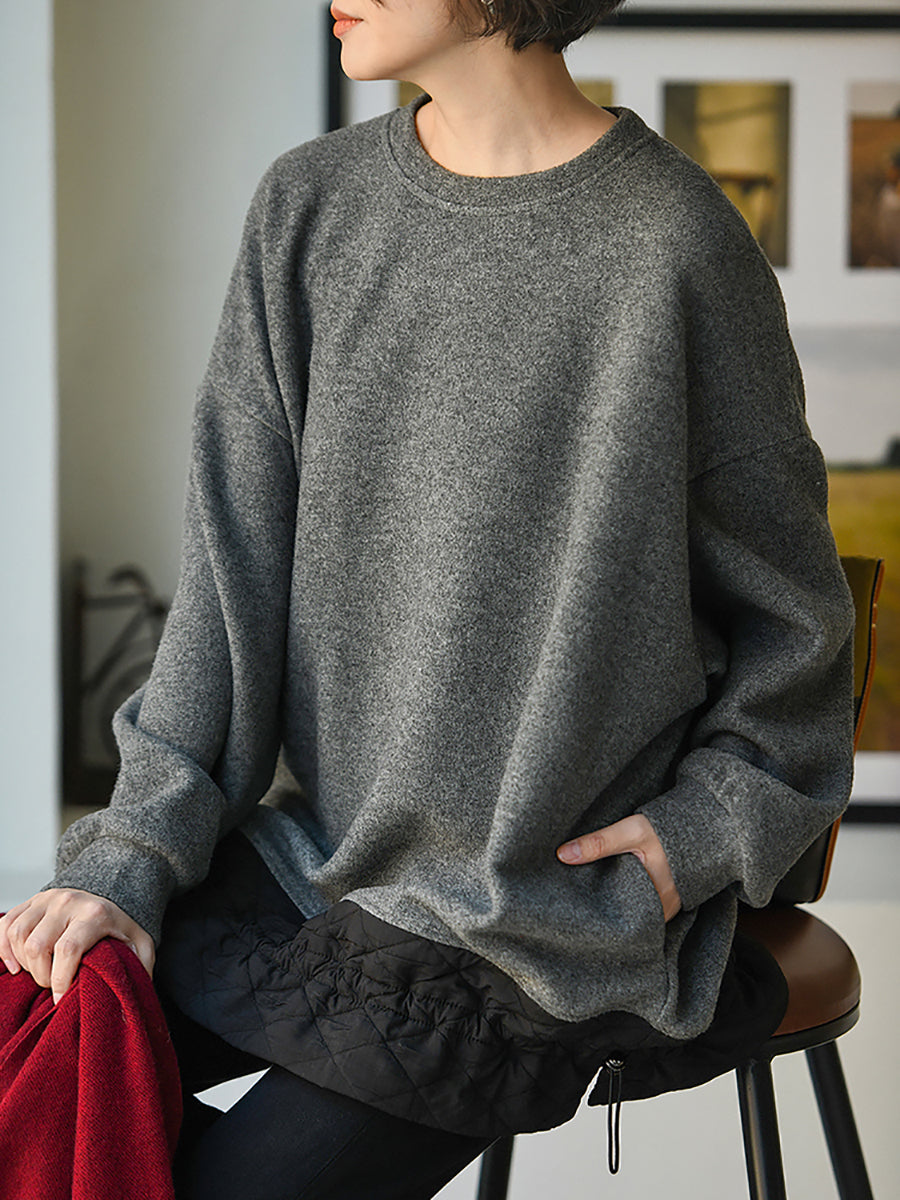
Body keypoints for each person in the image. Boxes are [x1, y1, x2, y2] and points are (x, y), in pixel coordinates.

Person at [0, 2, 855, 1197]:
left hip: (534, 909)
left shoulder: (676, 246)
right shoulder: (310, 208)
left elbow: (799, 630)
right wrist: (130, 852)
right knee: (32, 1073)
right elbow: (229, 588)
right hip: (313, 862)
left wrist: (692, 842)